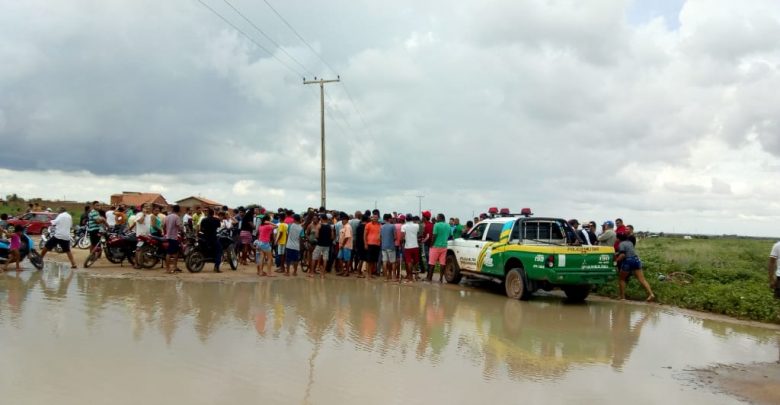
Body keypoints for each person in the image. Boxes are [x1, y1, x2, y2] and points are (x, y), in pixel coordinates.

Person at [616, 232, 654, 302]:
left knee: (622, 279)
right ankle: (651, 294)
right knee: (642, 279)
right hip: (636, 260)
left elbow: (623, 255)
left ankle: (622, 297)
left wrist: (616, 261)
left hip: (628, 261)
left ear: (618, 238)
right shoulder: (630, 242)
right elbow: (628, 251)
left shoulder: (621, 244)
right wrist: (617, 253)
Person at [310, 214, 333, 278]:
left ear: (322, 219)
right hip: (327, 245)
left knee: (314, 257)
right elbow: (332, 237)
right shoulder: (330, 227)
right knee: (325, 259)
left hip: (319, 244)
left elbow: (317, 236)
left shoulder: (319, 226)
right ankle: (322, 274)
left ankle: (312, 273)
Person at [200, 208, 223, 273]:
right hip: (213, 238)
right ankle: (216, 267)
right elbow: (219, 227)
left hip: (204, 238)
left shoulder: (204, 220)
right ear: (213, 213)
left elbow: (201, 229)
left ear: (207, 213)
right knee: (219, 250)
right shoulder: (216, 220)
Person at [429, 213, 451, 282]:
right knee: (442, 263)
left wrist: (431, 244)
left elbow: (434, 236)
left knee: (432, 263)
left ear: (441, 218)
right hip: (444, 246)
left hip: (435, 246)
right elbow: (450, 235)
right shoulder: (448, 225)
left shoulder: (436, 225)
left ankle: (429, 278)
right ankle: (441, 278)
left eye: (437, 217)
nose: (436, 219)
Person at [163, 205, 183, 274]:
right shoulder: (176, 217)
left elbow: (163, 226)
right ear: (178, 210)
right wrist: (182, 230)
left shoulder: (167, 217)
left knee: (176, 252)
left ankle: (175, 267)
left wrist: (166, 232)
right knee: (169, 253)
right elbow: (179, 226)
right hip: (173, 237)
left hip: (168, 236)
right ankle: (167, 269)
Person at [362, 213, 381, 278]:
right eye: (373, 217)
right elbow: (364, 235)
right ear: (371, 218)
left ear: (378, 218)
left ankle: (371, 273)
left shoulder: (380, 225)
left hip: (377, 245)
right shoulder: (368, 225)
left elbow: (380, 235)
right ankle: (368, 274)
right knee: (368, 260)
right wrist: (365, 244)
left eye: (376, 217)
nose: (375, 218)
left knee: (374, 260)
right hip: (369, 244)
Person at [401, 215, 420, 282]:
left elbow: (402, 236)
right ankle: (417, 276)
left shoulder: (403, 226)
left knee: (409, 262)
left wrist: (402, 242)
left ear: (406, 219)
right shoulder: (417, 225)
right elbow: (417, 234)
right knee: (416, 261)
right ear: (412, 219)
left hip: (408, 246)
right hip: (415, 246)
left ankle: (410, 276)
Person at [380, 214, 398, 281]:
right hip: (391, 246)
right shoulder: (392, 226)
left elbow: (380, 237)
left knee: (384, 262)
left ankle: (386, 277)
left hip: (383, 246)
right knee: (393, 262)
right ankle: (393, 277)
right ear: (389, 219)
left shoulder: (382, 227)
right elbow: (395, 237)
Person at [336, 212, 353, 277]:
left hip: (346, 246)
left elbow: (347, 237)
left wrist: (343, 244)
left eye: (342, 219)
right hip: (342, 246)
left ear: (346, 220)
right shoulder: (344, 227)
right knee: (339, 257)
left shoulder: (348, 227)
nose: (341, 221)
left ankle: (347, 272)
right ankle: (343, 270)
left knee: (347, 259)